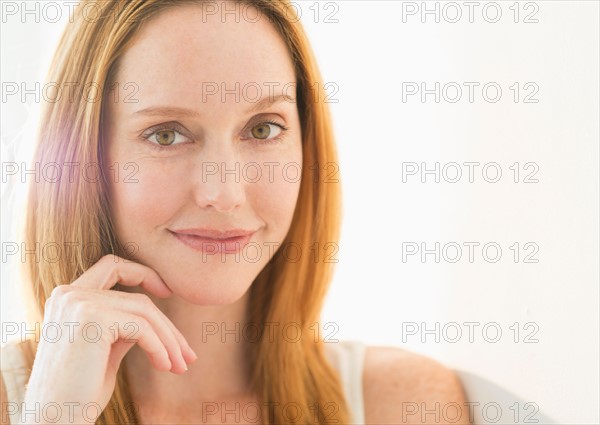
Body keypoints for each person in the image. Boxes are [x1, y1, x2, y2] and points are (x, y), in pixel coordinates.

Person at [0, 1, 469, 424]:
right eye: (167, 134)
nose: (224, 193)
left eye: (263, 128)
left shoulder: (405, 403)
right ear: (83, 159)